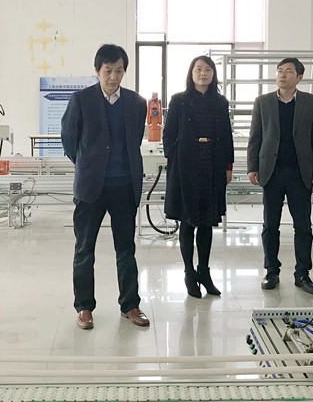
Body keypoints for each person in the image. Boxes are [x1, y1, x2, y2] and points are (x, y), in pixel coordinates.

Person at [60, 44, 149, 329]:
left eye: (119, 71)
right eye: (108, 70)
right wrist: (88, 165)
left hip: (125, 186)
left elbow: (134, 140)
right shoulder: (81, 100)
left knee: (126, 248)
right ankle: (84, 307)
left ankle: (130, 305)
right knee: (84, 249)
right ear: (97, 71)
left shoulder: (136, 103)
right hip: (91, 188)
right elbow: (69, 140)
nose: (113, 77)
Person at [247, 57, 313, 294]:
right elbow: (255, 136)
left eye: (288, 71)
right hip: (272, 172)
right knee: (270, 225)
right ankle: (271, 271)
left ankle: (302, 273)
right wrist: (252, 166)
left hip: (301, 172)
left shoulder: (311, 102)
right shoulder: (263, 102)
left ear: (299, 77)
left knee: (303, 226)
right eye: (279, 70)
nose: (282, 75)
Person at [163, 56, 235, 298]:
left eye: (207, 70)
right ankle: (189, 273)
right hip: (186, 165)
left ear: (213, 74)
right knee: (188, 220)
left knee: (207, 220)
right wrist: (175, 156)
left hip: (212, 163)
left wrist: (228, 165)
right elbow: (168, 134)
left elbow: (226, 135)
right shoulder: (179, 100)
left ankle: (204, 271)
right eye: (198, 69)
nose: (203, 73)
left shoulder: (220, 102)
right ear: (191, 73)